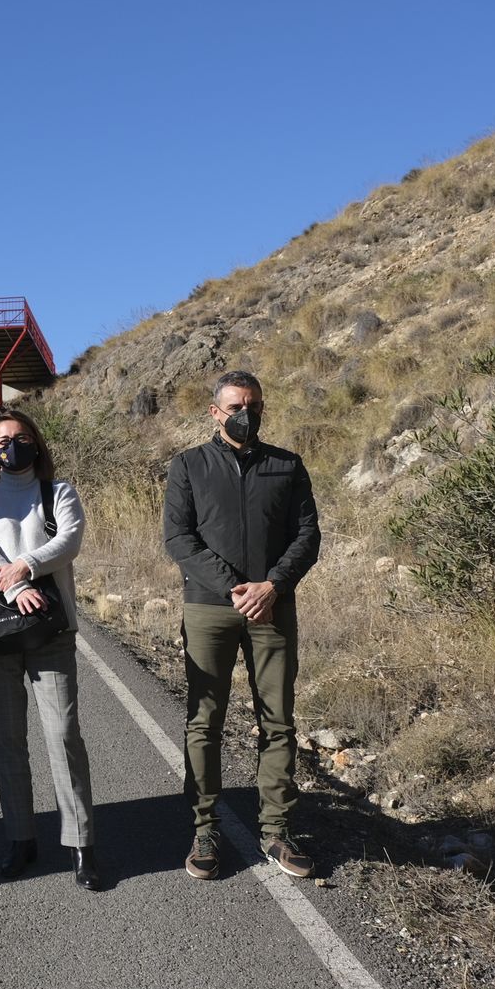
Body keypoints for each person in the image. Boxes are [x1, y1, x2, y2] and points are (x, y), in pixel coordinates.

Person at [164, 370, 321, 881]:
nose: (244, 413)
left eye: (252, 404)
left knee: (277, 720)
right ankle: (203, 830)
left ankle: (276, 830)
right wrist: (235, 586)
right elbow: (179, 539)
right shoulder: (188, 466)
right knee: (204, 720)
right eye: (234, 405)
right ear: (215, 411)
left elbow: (307, 535)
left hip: (272, 607)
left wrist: (272, 585)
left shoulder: (287, 465)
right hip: (210, 607)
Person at [0, 408, 103, 890]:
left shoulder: (58, 492)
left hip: (52, 634)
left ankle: (81, 844)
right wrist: (16, 587)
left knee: (63, 735)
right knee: (8, 741)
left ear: (37, 444)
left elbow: (70, 541)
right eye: (2, 440)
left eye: (21, 438)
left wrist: (24, 565)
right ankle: (20, 838)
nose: (11, 446)